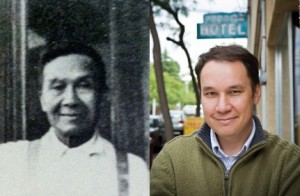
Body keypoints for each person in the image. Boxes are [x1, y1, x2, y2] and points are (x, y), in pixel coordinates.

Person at [0, 42, 149, 196]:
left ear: (103, 97)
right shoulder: (10, 160)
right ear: (42, 99)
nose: (70, 100)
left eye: (84, 85)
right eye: (58, 87)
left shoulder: (134, 170)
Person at [150, 45, 300, 196]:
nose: (222, 107)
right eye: (211, 93)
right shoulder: (171, 160)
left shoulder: (289, 164)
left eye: (234, 92)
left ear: (256, 93)